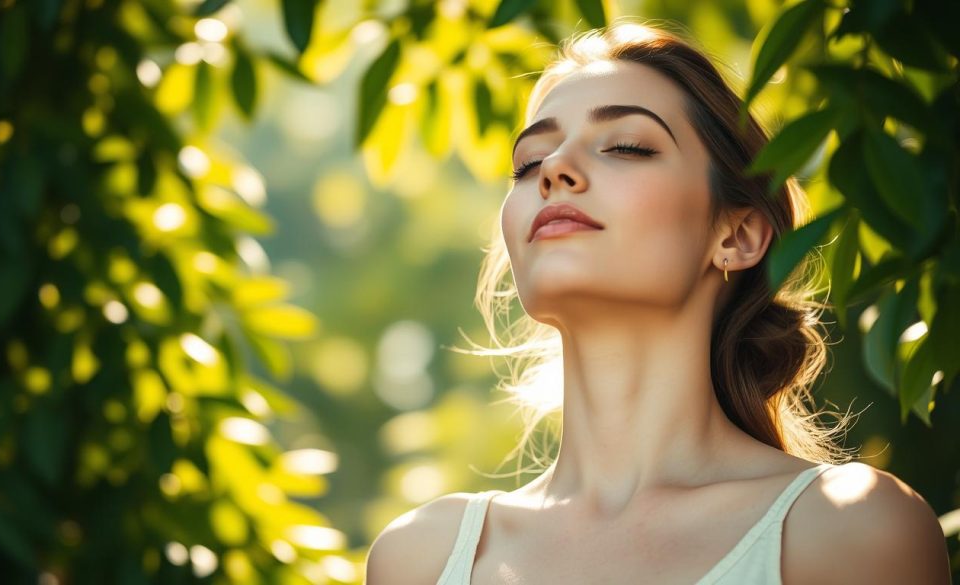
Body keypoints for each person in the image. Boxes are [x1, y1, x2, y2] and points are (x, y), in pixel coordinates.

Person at [365, 19, 950, 585]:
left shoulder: (849, 529)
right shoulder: (420, 557)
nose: (555, 171)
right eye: (529, 163)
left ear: (737, 236)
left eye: (625, 146)